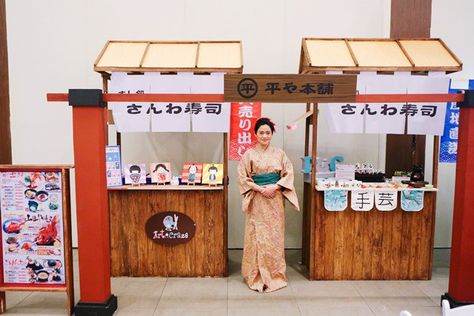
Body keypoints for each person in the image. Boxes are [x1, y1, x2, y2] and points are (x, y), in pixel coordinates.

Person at [237, 117, 299, 293]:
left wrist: (276, 186)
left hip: (275, 200)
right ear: (255, 134)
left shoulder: (280, 154)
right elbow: (242, 177)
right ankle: (255, 274)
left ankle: (274, 275)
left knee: (274, 237)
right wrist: (258, 188)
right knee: (256, 236)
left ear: (272, 134)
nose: (264, 136)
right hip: (257, 199)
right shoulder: (249, 154)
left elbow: (289, 173)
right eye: (261, 132)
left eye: (268, 133)